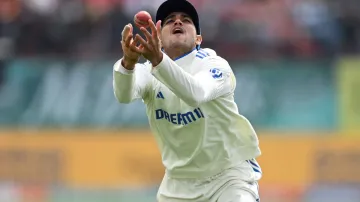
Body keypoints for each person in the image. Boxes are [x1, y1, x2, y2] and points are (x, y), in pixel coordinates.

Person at [113, 0, 262, 201]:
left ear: (198, 38)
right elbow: (123, 95)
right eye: (169, 21)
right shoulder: (149, 71)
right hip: (178, 185)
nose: (177, 22)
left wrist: (158, 59)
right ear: (158, 36)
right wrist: (128, 63)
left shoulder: (214, 65)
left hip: (228, 177)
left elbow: (196, 94)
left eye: (186, 20)